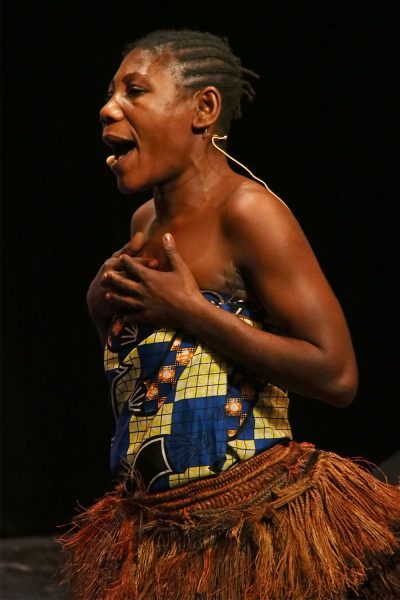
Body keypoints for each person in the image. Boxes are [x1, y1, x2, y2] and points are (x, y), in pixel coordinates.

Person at [60, 29, 400, 600]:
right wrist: (103, 317)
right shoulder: (143, 223)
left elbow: (337, 375)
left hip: (249, 522)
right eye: (111, 92)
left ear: (204, 108)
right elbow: (153, 376)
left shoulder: (249, 213)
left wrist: (191, 309)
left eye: (135, 91)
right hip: (161, 527)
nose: (108, 107)